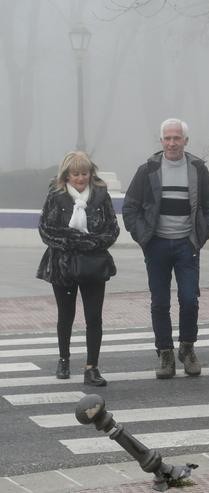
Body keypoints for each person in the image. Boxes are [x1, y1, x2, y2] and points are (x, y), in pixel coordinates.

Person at [123, 118, 209, 379]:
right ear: (161, 141)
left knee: (189, 299)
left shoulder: (197, 168)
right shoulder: (148, 170)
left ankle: (187, 349)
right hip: (156, 245)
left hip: (186, 244)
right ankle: (165, 353)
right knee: (160, 302)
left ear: (185, 141)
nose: (172, 143)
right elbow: (130, 207)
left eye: (177, 138)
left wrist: (199, 236)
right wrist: (143, 236)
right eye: (167, 138)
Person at [37, 151, 120, 386]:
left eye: (84, 173)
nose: (81, 178)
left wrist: (92, 243)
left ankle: (91, 367)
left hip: (94, 264)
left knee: (94, 317)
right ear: (67, 175)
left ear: (90, 174)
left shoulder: (101, 195)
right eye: (76, 174)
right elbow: (45, 230)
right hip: (62, 266)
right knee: (66, 315)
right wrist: (73, 241)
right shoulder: (56, 195)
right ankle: (64, 359)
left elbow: (112, 229)